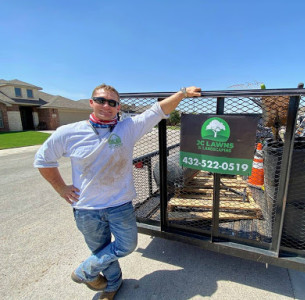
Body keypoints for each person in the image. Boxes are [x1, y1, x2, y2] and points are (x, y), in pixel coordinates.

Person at [34, 84, 201, 299]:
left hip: (119, 205)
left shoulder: (127, 128)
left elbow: (157, 110)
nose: (106, 105)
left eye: (112, 102)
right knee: (101, 250)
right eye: (101, 100)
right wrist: (60, 188)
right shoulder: (69, 132)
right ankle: (111, 286)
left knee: (126, 245)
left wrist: (182, 94)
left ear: (118, 106)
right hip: (86, 208)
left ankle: (86, 271)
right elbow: (43, 160)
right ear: (91, 102)